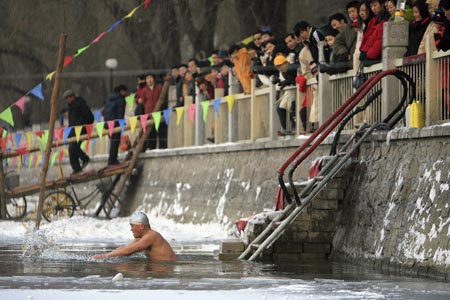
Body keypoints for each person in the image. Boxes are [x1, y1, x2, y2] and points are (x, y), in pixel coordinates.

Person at [92, 212, 177, 262]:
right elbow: (124, 248)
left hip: (167, 268)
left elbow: (129, 251)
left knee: (128, 269)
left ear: (141, 226)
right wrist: (103, 255)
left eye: (132, 226)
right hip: (158, 266)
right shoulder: (142, 238)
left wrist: (105, 256)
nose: (131, 229)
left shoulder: (151, 236)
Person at [63, 89, 94, 175]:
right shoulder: (71, 107)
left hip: (81, 130)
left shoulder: (80, 105)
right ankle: (76, 169)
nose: (67, 100)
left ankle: (85, 158)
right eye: (66, 98)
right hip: (74, 131)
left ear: (72, 97)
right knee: (71, 149)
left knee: (73, 147)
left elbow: (90, 117)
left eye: (68, 98)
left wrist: (83, 125)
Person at [103, 84, 127, 166]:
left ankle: (111, 160)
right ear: (122, 91)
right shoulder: (120, 100)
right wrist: (121, 122)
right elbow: (120, 113)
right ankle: (112, 160)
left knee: (113, 141)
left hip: (108, 124)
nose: (126, 94)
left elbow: (105, 112)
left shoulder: (109, 99)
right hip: (116, 124)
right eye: (125, 91)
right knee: (115, 142)